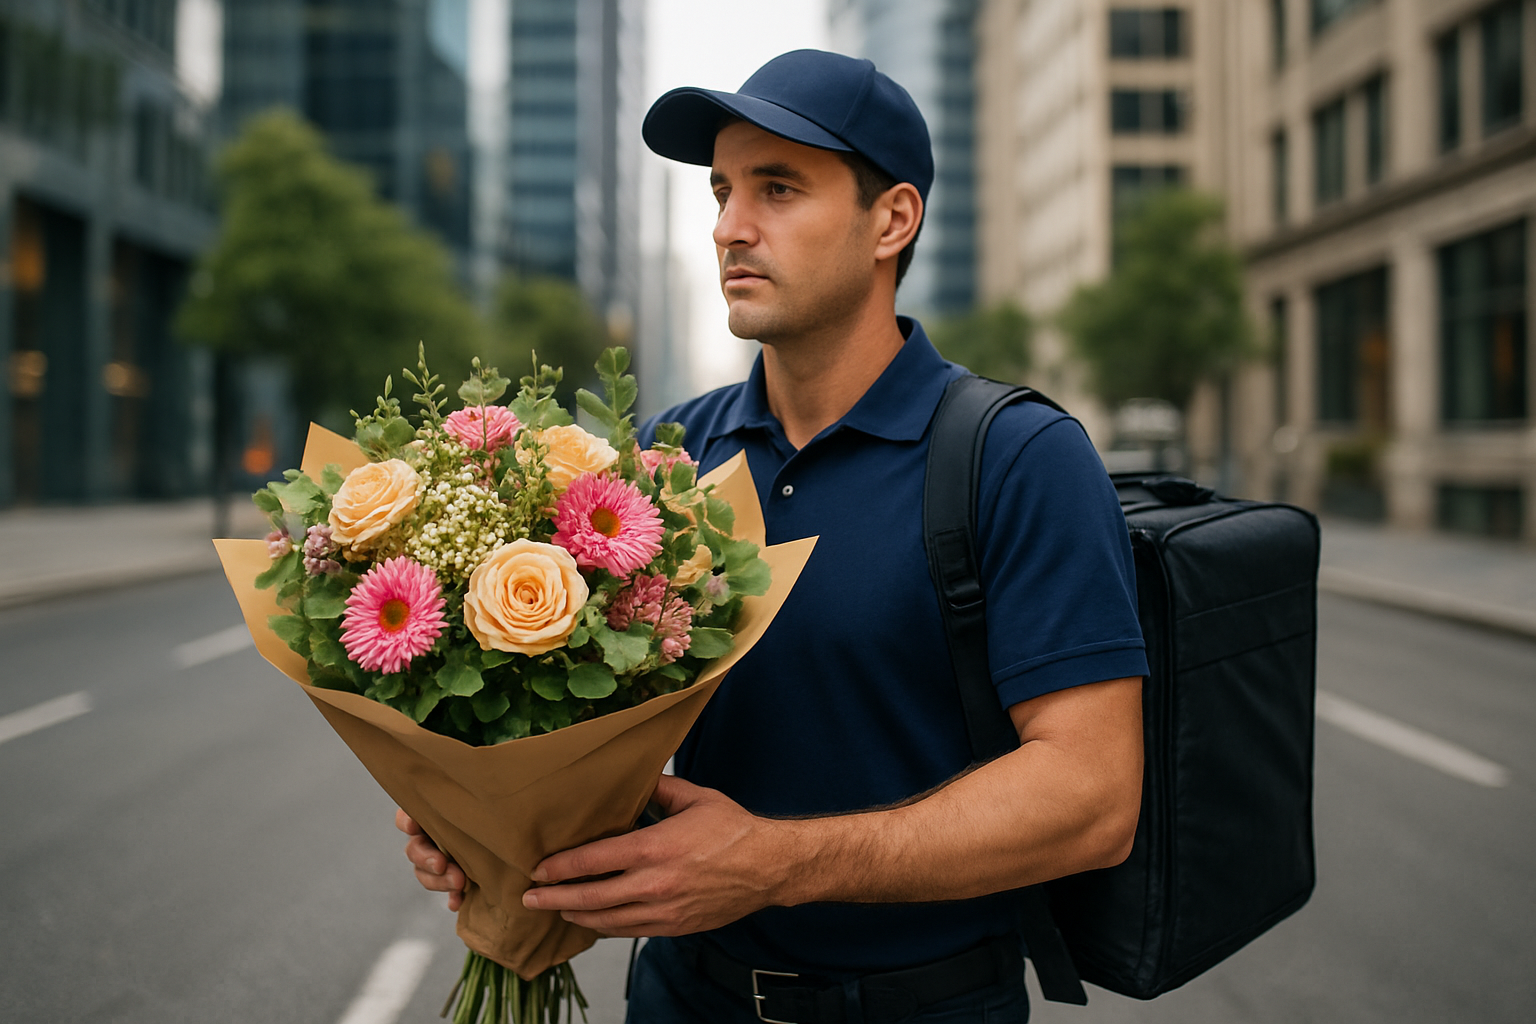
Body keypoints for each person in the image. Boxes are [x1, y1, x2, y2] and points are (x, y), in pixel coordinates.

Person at [399, 49, 1149, 1023]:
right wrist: (483, 821)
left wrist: (773, 864)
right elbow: (582, 726)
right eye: (720, 191)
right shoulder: (667, 453)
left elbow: (1092, 797)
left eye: (778, 188)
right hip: (676, 997)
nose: (728, 228)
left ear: (893, 220)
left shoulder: (1018, 456)